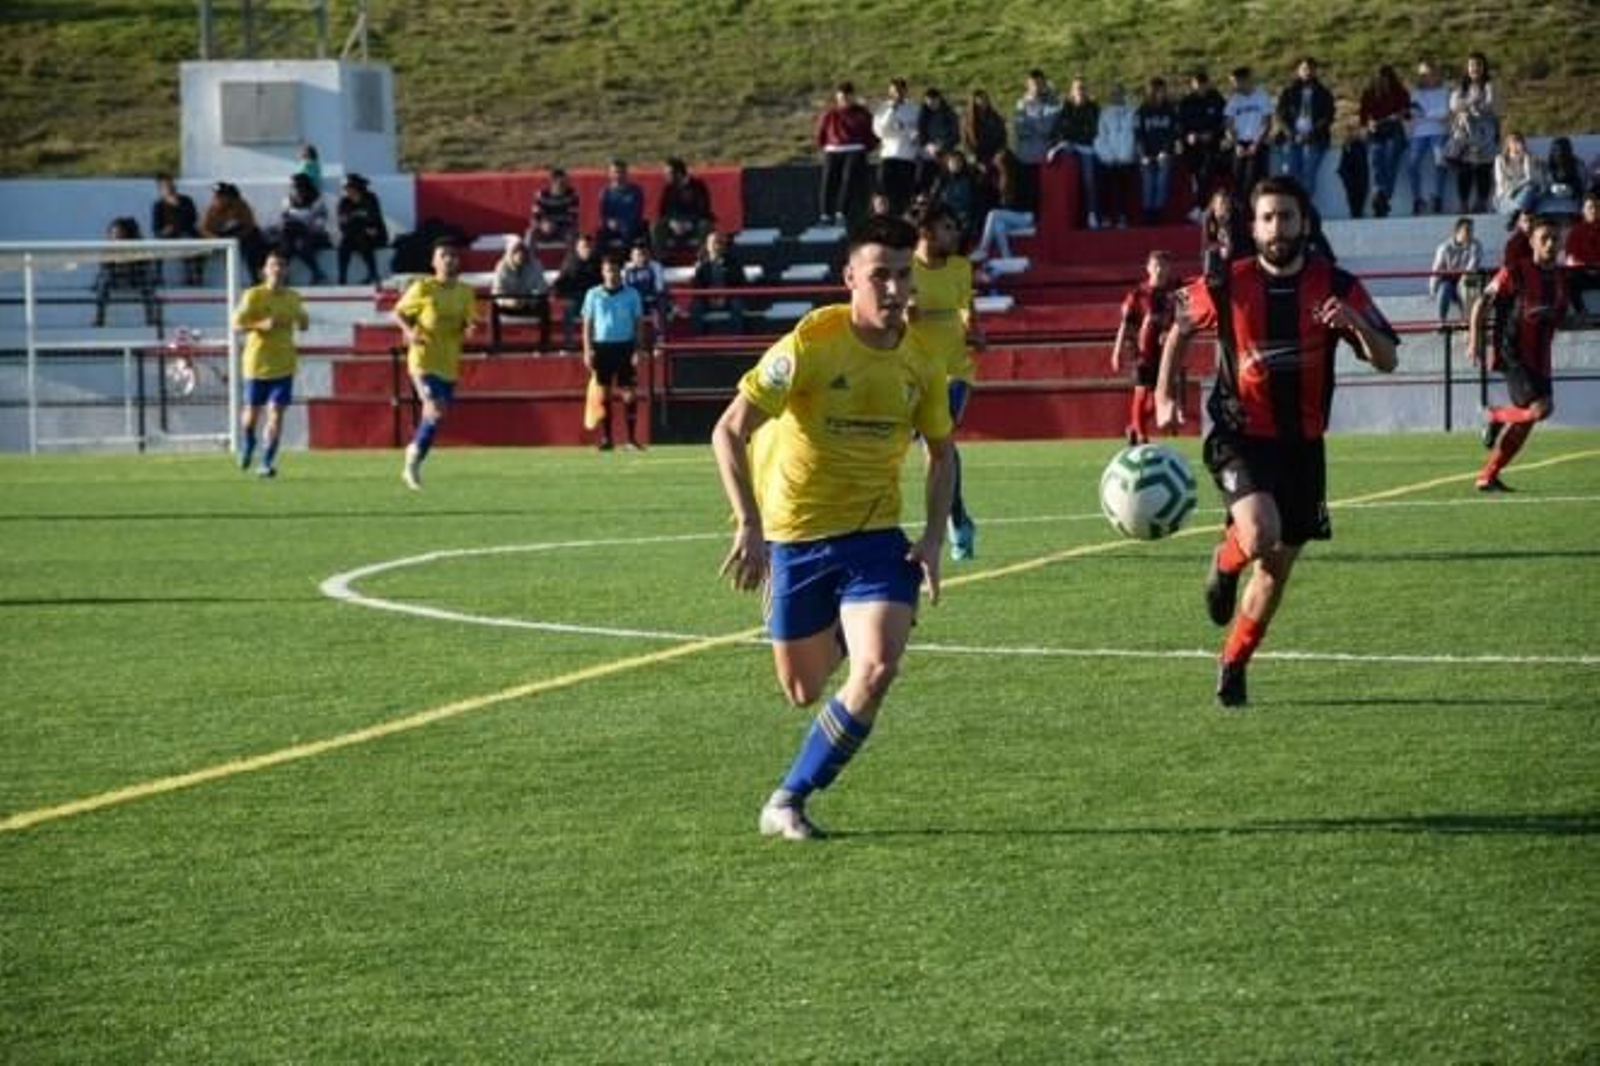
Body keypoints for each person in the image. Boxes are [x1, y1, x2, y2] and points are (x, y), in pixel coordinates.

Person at [709, 214, 955, 841]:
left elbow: (943, 451)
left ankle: (788, 799)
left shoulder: (923, 364)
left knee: (877, 669)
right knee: (803, 689)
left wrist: (931, 537)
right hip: (795, 538)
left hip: (876, 538)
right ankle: (835, 625)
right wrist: (749, 523)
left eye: (905, 275)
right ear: (850, 278)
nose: (897, 290)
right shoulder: (810, 345)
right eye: (881, 276)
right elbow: (729, 430)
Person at [1154, 175, 1399, 708]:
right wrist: (1162, 396)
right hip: (1240, 435)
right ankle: (1223, 563)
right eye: (1268, 217)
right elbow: (1177, 329)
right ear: (1254, 226)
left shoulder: (1337, 284)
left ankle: (1234, 661)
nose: (1277, 227)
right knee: (1262, 533)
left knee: (1273, 572)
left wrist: (1355, 323)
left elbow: (1388, 358)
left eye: (1287, 217)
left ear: (1304, 223)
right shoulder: (1228, 281)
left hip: (1303, 446)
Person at [1468, 214, 1569, 492]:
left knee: (1526, 422)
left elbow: (1561, 315)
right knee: (1541, 409)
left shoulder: (1560, 278)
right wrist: (1474, 339)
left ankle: (1488, 476)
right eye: (1544, 238)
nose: (1550, 244)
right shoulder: (1516, 271)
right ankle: (1495, 416)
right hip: (1513, 353)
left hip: (1541, 358)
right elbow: (1482, 302)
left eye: (1555, 239)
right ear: (1532, 241)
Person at [910, 202, 983, 559]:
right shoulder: (904, 268)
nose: (955, 235)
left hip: (955, 371)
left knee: (936, 443)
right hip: (911, 372)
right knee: (933, 449)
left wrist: (974, 329)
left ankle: (942, 528)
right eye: (947, 228)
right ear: (926, 232)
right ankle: (958, 517)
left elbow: (966, 305)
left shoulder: (960, 267)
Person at [394, 237, 479, 490]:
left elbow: (469, 320)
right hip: (422, 359)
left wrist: (471, 326)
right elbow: (398, 312)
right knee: (433, 408)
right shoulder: (423, 288)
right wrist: (409, 333)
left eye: (453, 255)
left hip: (448, 361)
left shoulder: (466, 292)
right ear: (434, 261)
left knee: (435, 417)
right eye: (443, 255)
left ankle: (414, 456)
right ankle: (412, 464)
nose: (449, 259)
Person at [231, 247, 308, 478]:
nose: (277, 269)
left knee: (276, 412)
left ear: (285, 270)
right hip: (256, 364)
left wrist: (301, 322)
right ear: (264, 270)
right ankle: (249, 441)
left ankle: (266, 462)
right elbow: (236, 325)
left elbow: (303, 321)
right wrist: (260, 325)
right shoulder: (253, 295)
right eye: (273, 265)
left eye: (281, 265)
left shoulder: (293, 297)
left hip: (284, 365)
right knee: (251, 414)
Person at [581, 255, 649, 451]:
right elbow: (587, 325)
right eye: (608, 270)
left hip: (624, 347)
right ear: (603, 273)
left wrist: (638, 349)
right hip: (602, 347)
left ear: (621, 272)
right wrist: (587, 350)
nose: (612, 274)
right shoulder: (593, 294)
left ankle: (631, 439)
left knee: (629, 394)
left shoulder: (632, 294)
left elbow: (638, 325)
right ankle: (606, 439)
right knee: (604, 394)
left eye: (615, 270)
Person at [1112, 249, 1176, 445]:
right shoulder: (1138, 294)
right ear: (1148, 268)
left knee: (1158, 400)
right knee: (1141, 392)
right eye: (1156, 265)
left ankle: (1133, 426)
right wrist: (1116, 351)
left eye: (1163, 265)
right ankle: (1141, 436)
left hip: (1166, 354)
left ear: (1169, 268)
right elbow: (1126, 324)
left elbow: (1181, 321)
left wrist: (1171, 334)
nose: (1159, 270)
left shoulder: (1175, 293)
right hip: (1143, 353)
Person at [815, 81, 878, 226]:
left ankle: (840, 214)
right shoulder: (830, 114)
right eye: (841, 98)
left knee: (848, 180)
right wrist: (825, 146)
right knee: (828, 183)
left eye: (847, 98)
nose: (844, 101)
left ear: (852, 97)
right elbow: (821, 133)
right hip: (833, 150)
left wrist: (865, 147)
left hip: (855, 149)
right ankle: (824, 216)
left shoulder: (862, 113)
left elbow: (872, 132)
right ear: (837, 97)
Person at [1275, 57, 1335, 200]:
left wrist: (1311, 133)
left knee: (1308, 174)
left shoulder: (1323, 93)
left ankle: (1304, 209)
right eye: (1304, 69)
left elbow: (1328, 117)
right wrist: (1293, 133)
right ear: (1298, 71)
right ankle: (1290, 207)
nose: (1308, 72)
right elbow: (1280, 115)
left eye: (1311, 69)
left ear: (1315, 72)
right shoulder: (1289, 91)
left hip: (1315, 139)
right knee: (1290, 173)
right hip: (1291, 138)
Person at [1448, 52, 1498, 214]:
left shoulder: (1489, 85)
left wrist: (1468, 106)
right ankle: (1463, 203)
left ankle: (1481, 202)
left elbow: (1490, 104)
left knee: (1483, 167)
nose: (1475, 68)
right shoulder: (1461, 87)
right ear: (1467, 68)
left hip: (1485, 131)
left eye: (1478, 65)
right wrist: (1473, 104)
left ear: (1484, 68)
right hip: (1464, 133)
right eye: (1472, 65)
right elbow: (1454, 105)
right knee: (1464, 168)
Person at [1359, 64, 1411, 218]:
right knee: (1375, 156)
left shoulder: (1400, 92)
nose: (1383, 82)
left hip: (1394, 131)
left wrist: (1400, 114)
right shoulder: (1369, 93)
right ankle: (1379, 194)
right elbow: (1363, 116)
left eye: (1387, 79)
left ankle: (1382, 196)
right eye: (1380, 79)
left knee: (1390, 156)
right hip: (1376, 133)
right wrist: (1369, 123)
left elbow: (1407, 113)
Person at [1049, 75, 1101, 228]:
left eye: (1083, 88)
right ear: (1072, 91)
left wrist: (1080, 136)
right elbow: (1058, 130)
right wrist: (1064, 141)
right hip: (1070, 146)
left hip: (1088, 148)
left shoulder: (1094, 108)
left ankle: (1093, 214)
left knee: (1089, 179)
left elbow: (1095, 131)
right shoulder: (1066, 108)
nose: (1081, 91)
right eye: (1078, 88)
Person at [1177, 69, 1227, 220]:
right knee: (1197, 178)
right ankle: (1199, 207)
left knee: (1206, 174)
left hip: (1211, 146)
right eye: (1197, 84)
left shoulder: (1217, 99)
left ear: (1208, 84)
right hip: (1192, 147)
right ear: (1192, 84)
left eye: (1203, 84)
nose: (1200, 87)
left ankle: (1202, 208)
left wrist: (1213, 134)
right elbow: (1180, 125)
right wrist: (1187, 136)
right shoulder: (1186, 102)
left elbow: (1224, 121)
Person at [92, 217, 159, 328]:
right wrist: (116, 263)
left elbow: (145, 264)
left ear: (124, 233)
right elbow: (104, 266)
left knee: (147, 285)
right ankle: (99, 319)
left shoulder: (136, 246)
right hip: (116, 280)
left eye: (117, 232)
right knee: (103, 282)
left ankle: (151, 318)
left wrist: (128, 263)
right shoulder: (109, 248)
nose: (114, 235)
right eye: (112, 233)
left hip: (133, 279)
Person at [1404, 60, 1452, 215]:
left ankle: (1438, 198)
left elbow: (1445, 112)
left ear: (1435, 73)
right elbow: (1414, 113)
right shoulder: (1416, 93)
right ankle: (1418, 199)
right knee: (1412, 165)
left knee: (1440, 162)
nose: (1425, 77)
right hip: (1419, 133)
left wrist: (1426, 114)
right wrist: (1432, 114)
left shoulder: (1444, 90)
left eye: (1428, 73)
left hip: (1439, 131)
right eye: (1422, 74)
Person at [967, 149, 1032, 261]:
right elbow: (982, 184)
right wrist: (985, 171)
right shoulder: (1001, 177)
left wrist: (1008, 202)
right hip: (1011, 217)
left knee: (993, 214)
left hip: (1025, 216)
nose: (998, 167)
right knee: (998, 226)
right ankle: (1007, 258)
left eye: (1000, 164)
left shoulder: (1021, 176)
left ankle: (983, 249)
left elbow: (1025, 201)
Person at [491, 235, 551, 351]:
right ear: (511, 254)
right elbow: (497, 291)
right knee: (492, 306)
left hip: (529, 303)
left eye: (523, 252)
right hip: (509, 304)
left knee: (545, 305)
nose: (520, 256)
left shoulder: (536, 265)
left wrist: (528, 300)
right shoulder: (501, 267)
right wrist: (509, 302)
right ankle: (495, 344)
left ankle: (544, 344)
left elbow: (542, 288)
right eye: (516, 252)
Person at [1012, 69, 1060, 213]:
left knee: (1045, 194)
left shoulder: (1053, 102)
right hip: (1025, 157)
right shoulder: (1020, 104)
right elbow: (1020, 129)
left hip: (1045, 156)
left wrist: (1032, 124)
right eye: (1034, 84)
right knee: (1028, 193)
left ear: (1044, 83)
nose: (1037, 87)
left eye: (1040, 83)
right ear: (1028, 85)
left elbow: (1050, 126)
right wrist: (1039, 124)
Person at [200, 181, 268, 282]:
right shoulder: (211, 210)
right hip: (219, 237)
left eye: (221, 195)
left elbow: (249, 225)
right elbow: (204, 229)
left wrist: (237, 237)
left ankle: (257, 277)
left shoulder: (240, 205)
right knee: (202, 249)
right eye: (216, 195)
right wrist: (217, 239)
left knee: (255, 242)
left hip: (240, 236)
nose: (217, 198)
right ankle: (197, 277)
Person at [873, 77, 922, 216]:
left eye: (900, 91)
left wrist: (907, 131)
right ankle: (882, 221)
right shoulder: (883, 108)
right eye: (894, 91)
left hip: (907, 157)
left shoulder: (914, 109)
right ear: (889, 91)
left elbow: (918, 132)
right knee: (883, 194)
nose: (897, 94)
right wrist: (891, 111)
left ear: (905, 91)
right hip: (888, 156)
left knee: (904, 195)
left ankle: (902, 222)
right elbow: (879, 131)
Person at [1134, 77, 1180, 225]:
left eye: (1164, 90)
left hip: (1164, 154)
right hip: (1146, 154)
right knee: (1148, 182)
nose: (1163, 93)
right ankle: (1147, 214)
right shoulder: (1142, 111)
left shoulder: (1170, 110)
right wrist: (1143, 155)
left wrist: (1166, 151)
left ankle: (1158, 213)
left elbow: (1174, 132)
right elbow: (1138, 134)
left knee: (1161, 182)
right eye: (1160, 91)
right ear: (1152, 91)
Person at [1224, 66, 1274, 201]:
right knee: (1237, 180)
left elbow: (1267, 123)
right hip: (1240, 144)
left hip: (1258, 143)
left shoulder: (1262, 96)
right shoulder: (1234, 99)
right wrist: (1236, 145)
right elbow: (1228, 125)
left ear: (1245, 80)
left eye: (1235, 82)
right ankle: (1239, 213)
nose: (1233, 85)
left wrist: (1256, 144)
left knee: (1253, 180)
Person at [1094, 82, 1138, 229]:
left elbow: (1134, 134)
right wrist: (1108, 156)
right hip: (1109, 160)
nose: (1116, 95)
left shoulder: (1132, 111)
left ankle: (1122, 217)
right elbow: (1101, 137)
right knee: (1106, 188)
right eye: (1113, 93)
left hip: (1127, 159)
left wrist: (1127, 155)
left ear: (1123, 94)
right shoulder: (1104, 113)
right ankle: (1106, 217)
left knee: (1125, 189)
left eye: (1119, 92)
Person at [690, 230, 748, 335]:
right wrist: (708, 297)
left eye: (718, 243)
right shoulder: (702, 265)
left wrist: (726, 296)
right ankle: (698, 338)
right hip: (707, 299)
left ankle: (737, 337)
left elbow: (740, 282)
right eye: (712, 243)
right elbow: (697, 286)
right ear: (707, 246)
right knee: (696, 306)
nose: (715, 247)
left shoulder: (733, 262)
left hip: (729, 298)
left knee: (737, 305)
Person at [276, 172, 330, 284]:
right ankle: (283, 275)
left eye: (295, 186)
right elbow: (284, 216)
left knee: (302, 247)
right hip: (291, 232)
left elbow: (322, 218)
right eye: (292, 187)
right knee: (286, 248)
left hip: (312, 233)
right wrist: (285, 221)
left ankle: (317, 272)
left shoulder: (316, 200)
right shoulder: (287, 200)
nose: (293, 189)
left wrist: (311, 225)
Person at [652, 158, 714, 254]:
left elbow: (703, 209)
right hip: (674, 224)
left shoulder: (698, 186)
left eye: (669, 173)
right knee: (656, 225)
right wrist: (672, 222)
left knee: (705, 225)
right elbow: (663, 210)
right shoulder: (668, 188)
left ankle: (703, 257)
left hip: (694, 223)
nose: (666, 176)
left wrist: (689, 223)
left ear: (679, 173)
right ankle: (660, 258)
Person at [150, 173, 203, 285]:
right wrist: (165, 231)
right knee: (155, 245)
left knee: (189, 240)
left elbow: (192, 218)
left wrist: (176, 225)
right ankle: (157, 277)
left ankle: (193, 277)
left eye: (171, 184)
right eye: (165, 186)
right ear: (160, 189)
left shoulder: (186, 200)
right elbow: (156, 228)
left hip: (186, 234)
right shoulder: (158, 205)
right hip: (168, 237)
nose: (170, 187)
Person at [1429, 217, 1484, 324]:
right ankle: (1441, 321)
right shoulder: (1444, 247)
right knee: (1444, 288)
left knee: (1470, 286)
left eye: (1472, 230)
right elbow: (1436, 270)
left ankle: (1467, 321)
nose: (1471, 233)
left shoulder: (1476, 245)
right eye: (1467, 230)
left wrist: (1463, 280)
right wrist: (1433, 290)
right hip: (1449, 281)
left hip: (1466, 279)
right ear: (1457, 231)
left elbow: (1472, 267)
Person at [335, 173, 388, 286]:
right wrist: (355, 219)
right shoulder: (344, 202)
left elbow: (374, 218)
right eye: (345, 188)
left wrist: (355, 219)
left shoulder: (370, 198)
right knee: (344, 244)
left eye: (348, 188)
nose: (346, 191)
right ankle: (342, 277)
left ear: (356, 187)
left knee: (362, 238)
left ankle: (373, 273)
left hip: (374, 234)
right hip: (352, 235)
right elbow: (342, 224)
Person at [553, 233, 602, 351]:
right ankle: (568, 343)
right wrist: (561, 293)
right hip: (576, 298)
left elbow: (604, 282)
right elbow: (560, 283)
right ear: (577, 248)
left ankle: (598, 342)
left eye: (589, 247)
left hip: (594, 297)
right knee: (569, 308)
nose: (587, 250)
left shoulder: (598, 261)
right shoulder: (570, 262)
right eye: (584, 247)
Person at [622, 240, 669, 349]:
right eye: (638, 255)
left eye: (644, 254)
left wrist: (649, 297)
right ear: (632, 256)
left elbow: (659, 288)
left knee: (660, 304)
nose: (641, 258)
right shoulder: (626, 269)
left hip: (651, 301)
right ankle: (629, 340)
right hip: (633, 302)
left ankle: (660, 338)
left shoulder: (656, 266)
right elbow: (623, 290)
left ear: (649, 255)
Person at [1200, 187, 1253, 281]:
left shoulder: (1238, 214)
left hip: (1237, 248)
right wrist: (1220, 246)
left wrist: (1228, 230)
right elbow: (1206, 244)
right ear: (1214, 205)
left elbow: (1242, 241)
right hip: (1217, 250)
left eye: (1226, 204)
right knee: (1210, 253)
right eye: (1220, 204)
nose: (1223, 207)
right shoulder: (1208, 217)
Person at [915, 87, 961, 191]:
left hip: (946, 150)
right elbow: (921, 133)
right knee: (922, 173)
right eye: (928, 102)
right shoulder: (923, 114)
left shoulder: (949, 113)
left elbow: (956, 134)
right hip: (928, 151)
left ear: (939, 99)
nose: (931, 104)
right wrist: (928, 146)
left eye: (933, 101)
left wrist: (943, 144)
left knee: (945, 173)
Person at [598, 159, 646, 253]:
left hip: (630, 226)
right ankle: (604, 263)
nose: (618, 175)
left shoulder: (635, 191)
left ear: (626, 173)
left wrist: (620, 223)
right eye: (615, 172)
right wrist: (608, 221)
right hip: (612, 227)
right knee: (600, 235)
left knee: (627, 230)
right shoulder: (605, 192)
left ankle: (626, 259)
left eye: (621, 172)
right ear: (610, 174)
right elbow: (603, 214)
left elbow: (636, 213)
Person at [1493, 131, 1545, 216]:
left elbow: (1530, 178)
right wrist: (1518, 186)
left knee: (1529, 190)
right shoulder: (1500, 159)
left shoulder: (1529, 157)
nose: (1518, 145)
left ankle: (1520, 213)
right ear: (1508, 144)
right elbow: (1501, 182)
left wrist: (1526, 159)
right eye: (1515, 142)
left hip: (1525, 195)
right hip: (1507, 196)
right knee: (1526, 192)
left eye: (1520, 142)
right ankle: (1519, 213)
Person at [1565, 190, 1600, 316]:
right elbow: (1570, 258)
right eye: (1590, 207)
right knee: (1568, 281)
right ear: (1583, 210)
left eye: (1597, 207)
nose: (1594, 210)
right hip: (1583, 272)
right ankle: (1581, 312)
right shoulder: (1576, 231)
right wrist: (1586, 267)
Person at [529, 167, 580, 246]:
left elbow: (573, 217)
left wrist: (557, 224)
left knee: (573, 234)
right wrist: (542, 224)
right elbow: (535, 216)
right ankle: (533, 258)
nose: (565, 185)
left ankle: (570, 258)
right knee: (532, 233)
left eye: (566, 182)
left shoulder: (572, 195)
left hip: (563, 227)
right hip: (546, 228)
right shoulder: (542, 195)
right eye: (562, 183)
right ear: (553, 183)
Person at [961, 87, 1009, 168]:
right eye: (979, 100)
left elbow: (1003, 136)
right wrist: (973, 157)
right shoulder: (967, 119)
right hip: (977, 155)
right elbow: (965, 141)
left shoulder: (995, 116)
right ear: (974, 102)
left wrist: (1000, 152)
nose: (983, 102)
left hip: (994, 154)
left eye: (985, 99)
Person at [1541, 137, 1586, 218]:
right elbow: (1544, 184)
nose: (1559, 153)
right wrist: (1552, 188)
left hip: (1572, 195)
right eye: (1556, 150)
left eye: (1562, 150)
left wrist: (1572, 189)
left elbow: (1583, 183)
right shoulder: (1547, 165)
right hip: (1552, 197)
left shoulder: (1577, 164)